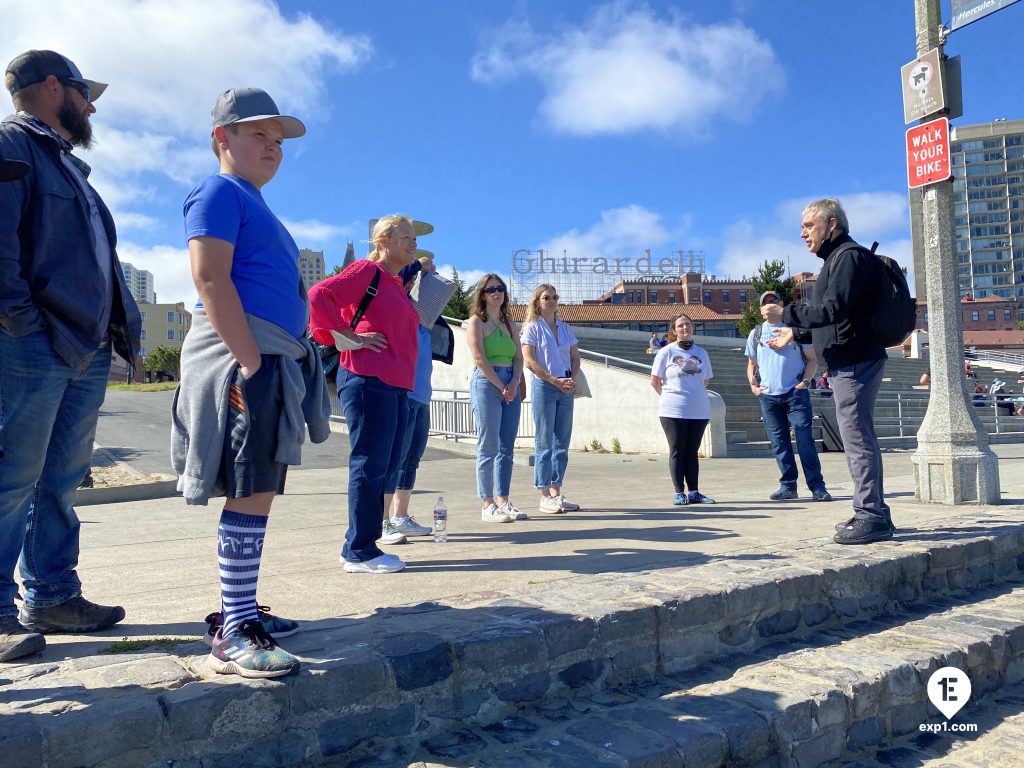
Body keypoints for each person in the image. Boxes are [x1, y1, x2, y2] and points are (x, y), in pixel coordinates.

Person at [173, 87, 330, 678]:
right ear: (223, 137)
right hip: (247, 359)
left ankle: (236, 607)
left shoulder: (254, 202)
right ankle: (235, 630)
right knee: (251, 488)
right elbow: (210, 278)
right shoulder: (217, 191)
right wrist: (250, 361)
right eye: (259, 134)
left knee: (258, 487)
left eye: (278, 140)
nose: (273, 147)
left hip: (269, 357)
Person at [0, 50, 142, 664]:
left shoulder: (69, 168)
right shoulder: (11, 145)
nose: (92, 108)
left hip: (83, 347)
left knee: (59, 480)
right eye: (87, 94)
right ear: (54, 86)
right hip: (35, 344)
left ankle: (52, 596)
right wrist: (23, 326)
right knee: (11, 479)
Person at [761, 198, 892, 545]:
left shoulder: (847, 257)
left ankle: (871, 515)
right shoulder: (838, 259)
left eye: (809, 225)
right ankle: (874, 511)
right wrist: (796, 333)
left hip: (855, 361)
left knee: (857, 439)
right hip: (850, 359)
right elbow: (837, 318)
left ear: (831, 224)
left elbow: (833, 310)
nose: (803, 233)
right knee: (859, 438)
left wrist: (785, 314)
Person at [309, 215, 419, 573]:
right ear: (383, 241)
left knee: (384, 466)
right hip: (368, 378)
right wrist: (351, 336)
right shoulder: (366, 271)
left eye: (414, 238)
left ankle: (361, 545)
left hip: (395, 384)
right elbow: (319, 294)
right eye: (405, 237)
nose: (413, 243)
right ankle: (359, 551)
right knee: (369, 465)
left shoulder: (396, 283)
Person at [379, 257, 453, 543]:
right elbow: (395, 282)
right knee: (394, 458)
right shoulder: (399, 307)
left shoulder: (425, 319)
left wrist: (427, 274)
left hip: (421, 395)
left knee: (411, 459)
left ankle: (400, 517)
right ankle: (382, 521)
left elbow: (438, 293)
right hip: (402, 392)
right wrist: (418, 265)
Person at [745, 291, 831, 502]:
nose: (769, 304)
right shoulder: (756, 333)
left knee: (804, 440)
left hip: (795, 394)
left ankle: (817, 487)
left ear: (781, 304)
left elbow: (812, 359)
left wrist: (805, 382)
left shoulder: (795, 330)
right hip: (768, 396)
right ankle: (788, 485)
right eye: (765, 302)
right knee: (779, 443)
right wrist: (753, 385)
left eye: (773, 301)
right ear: (761, 309)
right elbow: (751, 363)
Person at [467, 274, 525, 522]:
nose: (496, 293)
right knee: (488, 445)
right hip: (486, 383)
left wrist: (514, 381)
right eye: (491, 289)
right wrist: (502, 385)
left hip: (510, 381)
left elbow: (519, 357)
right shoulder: (476, 322)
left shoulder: (510, 323)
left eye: (500, 288)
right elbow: (479, 358)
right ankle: (487, 503)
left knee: (506, 447)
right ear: (482, 294)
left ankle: (503, 500)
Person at [521, 284, 582, 514]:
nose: (552, 300)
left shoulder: (565, 328)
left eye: (555, 297)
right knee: (544, 441)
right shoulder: (532, 328)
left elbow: (575, 357)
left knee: (562, 442)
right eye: (547, 297)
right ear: (537, 301)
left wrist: (571, 378)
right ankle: (544, 493)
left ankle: (556, 491)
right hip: (545, 386)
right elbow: (529, 361)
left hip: (566, 386)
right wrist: (553, 380)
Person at [651, 314, 715, 505]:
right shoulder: (666, 352)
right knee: (677, 450)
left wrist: (693, 395)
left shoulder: (701, 353)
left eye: (688, 324)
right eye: (680, 325)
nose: (685, 328)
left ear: (693, 327)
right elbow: (655, 381)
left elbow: (705, 380)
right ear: (674, 330)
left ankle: (694, 492)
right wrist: (671, 396)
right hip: (673, 410)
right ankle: (679, 492)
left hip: (699, 410)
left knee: (692, 451)